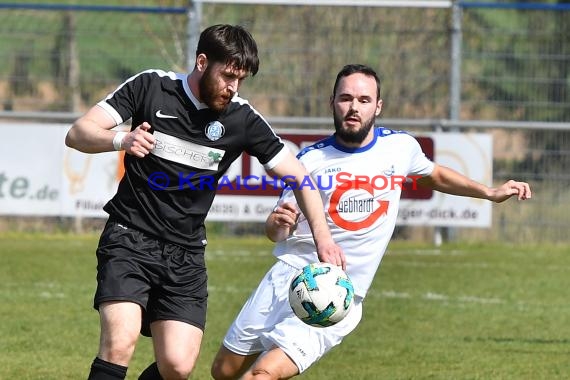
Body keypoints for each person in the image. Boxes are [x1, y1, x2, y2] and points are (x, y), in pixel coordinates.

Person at [210, 63, 532, 380]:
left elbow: (434, 175)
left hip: (337, 293)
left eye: (363, 100)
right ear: (332, 102)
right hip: (285, 277)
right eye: (345, 98)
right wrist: (278, 225)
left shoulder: (400, 148)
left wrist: (489, 192)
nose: (354, 107)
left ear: (378, 106)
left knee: (263, 373)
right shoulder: (309, 160)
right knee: (223, 372)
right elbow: (276, 230)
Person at [65, 24, 342, 380]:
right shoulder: (151, 86)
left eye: (240, 79)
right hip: (130, 238)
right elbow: (78, 134)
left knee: (177, 367)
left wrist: (322, 236)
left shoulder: (241, 118)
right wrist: (122, 139)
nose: (233, 87)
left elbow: (299, 176)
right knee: (120, 343)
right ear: (201, 62)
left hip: (186, 253)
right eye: (227, 75)